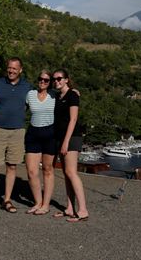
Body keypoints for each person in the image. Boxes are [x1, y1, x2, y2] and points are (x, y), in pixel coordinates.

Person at [0, 57, 32, 217]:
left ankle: (7, 200)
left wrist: (72, 90)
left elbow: (43, 95)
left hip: (17, 131)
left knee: (12, 166)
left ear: (20, 70)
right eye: (9, 68)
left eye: (14, 68)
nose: (11, 71)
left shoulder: (27, 87)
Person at [52, 68, 89, 222]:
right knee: (67, 174)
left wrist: (66, 141)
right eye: (55, 79)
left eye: (60, 78)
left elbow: (73, 119)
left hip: (72, 137)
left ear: (67, 79)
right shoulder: (58, 96)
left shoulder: (72, 95)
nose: (57, 81)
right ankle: (69, 207)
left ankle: (83, 210)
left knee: (71, 172)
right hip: (61, 137)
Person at [24, 69, 56, 215]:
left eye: (46, 80)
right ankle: (38, 202)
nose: (42, 82)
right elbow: (21, 108)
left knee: (47, 170)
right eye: (40, 79)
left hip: (50, 134)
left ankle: (46, 204)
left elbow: (69, 95)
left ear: (50, 83)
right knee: (31, 171)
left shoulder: (54, 95)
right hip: (33, 134)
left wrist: (75, 91)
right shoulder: (30, 94)